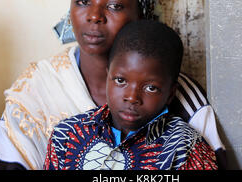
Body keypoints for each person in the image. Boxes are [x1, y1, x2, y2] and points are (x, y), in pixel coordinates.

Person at [0, 0, 225, 170]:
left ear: (141, 15)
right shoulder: (37, 87)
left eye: (114, 6)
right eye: (83, 2)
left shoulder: (181, 95)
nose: (95, 16)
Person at [44, 20, 217, 170]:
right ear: (108, 78)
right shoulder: (67, 135)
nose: (132, 97)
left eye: (151, 88)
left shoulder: (184, 147)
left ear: (170, 93)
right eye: (120, 80)